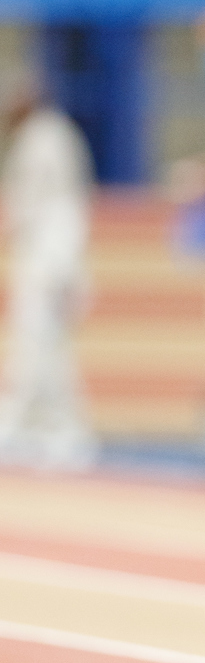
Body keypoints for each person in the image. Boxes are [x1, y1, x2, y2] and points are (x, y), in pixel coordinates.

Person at [0, 79, 96, 469]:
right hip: (50, 258)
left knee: (41, 344)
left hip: (51, 262)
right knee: (44, 346)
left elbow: (37, 205)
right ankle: (49, 425)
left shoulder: (43, 139)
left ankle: (59, 427)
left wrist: (65, 273)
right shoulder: (53, 135)